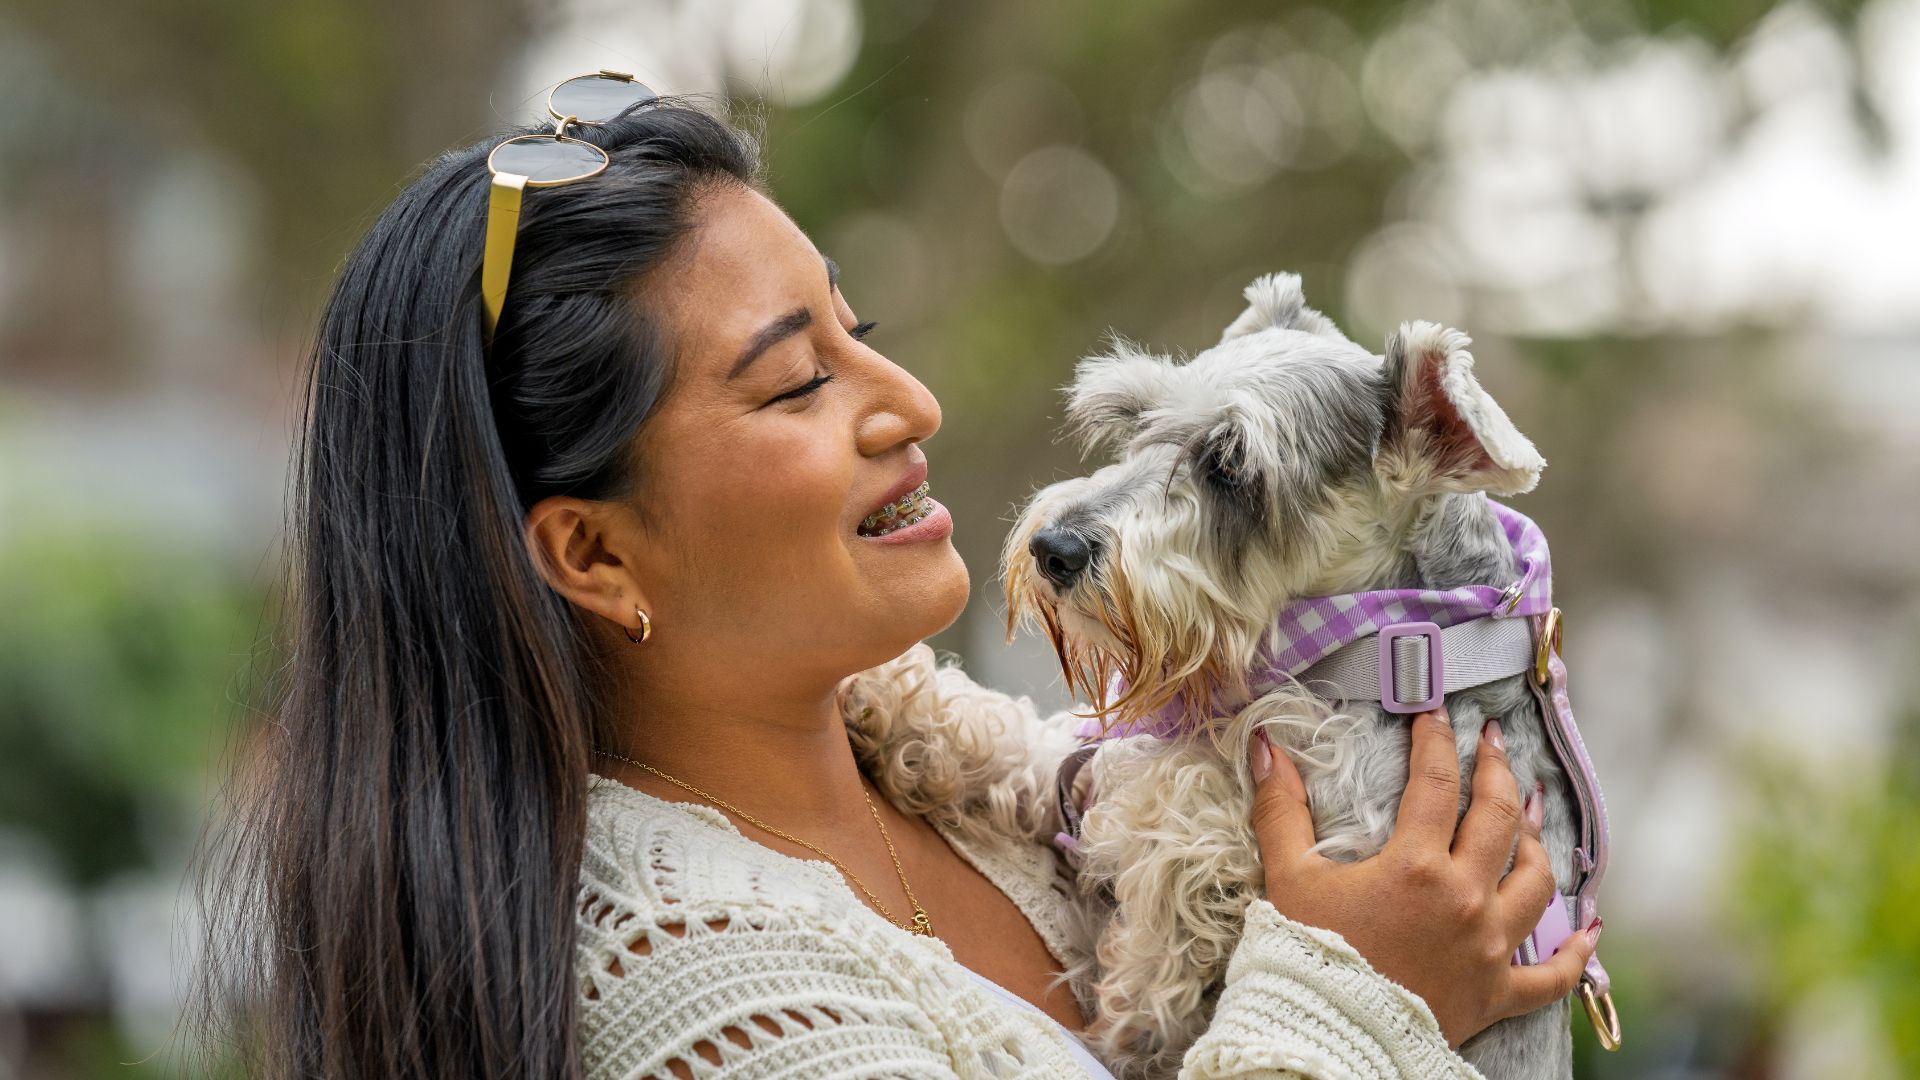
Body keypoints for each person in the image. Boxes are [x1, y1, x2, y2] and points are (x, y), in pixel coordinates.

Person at [188, 94, 1598, 1079]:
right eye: (799, 379)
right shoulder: (697, 988)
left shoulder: (956, 776)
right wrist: (1368, 997)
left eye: (860, 333)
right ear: (596, 552)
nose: (910, 403)